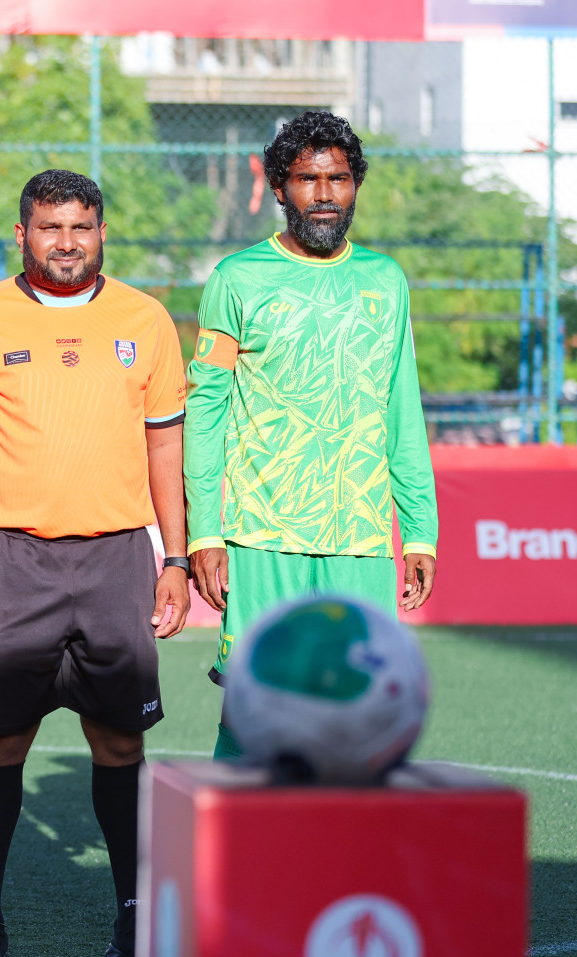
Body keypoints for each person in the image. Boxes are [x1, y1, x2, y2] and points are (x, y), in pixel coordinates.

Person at [0, 169, 190, 957]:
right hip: (10, 558)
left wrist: (174, 558)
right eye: (50, 227)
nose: (67, 241)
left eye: (81, 226)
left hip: (118, 556)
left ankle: (135, 912)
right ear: (22, 234)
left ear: (102, 232)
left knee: (119, 743)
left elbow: (164, 444)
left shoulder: (146, 320)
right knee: (1, 739)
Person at [183, 111, 439, 760]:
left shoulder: (385, 281)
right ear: (279, 187)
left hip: (357, 536)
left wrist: (420, 530)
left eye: (340, 179)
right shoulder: (237, 279)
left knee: (359, 711)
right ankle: (232, 856)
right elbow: (205, 411)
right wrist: (204, 531)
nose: (324, 194)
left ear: (356, 186)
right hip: (258, 533)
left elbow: (401, 409)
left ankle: (347, 860)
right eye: (307, 179)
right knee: (251, 703)